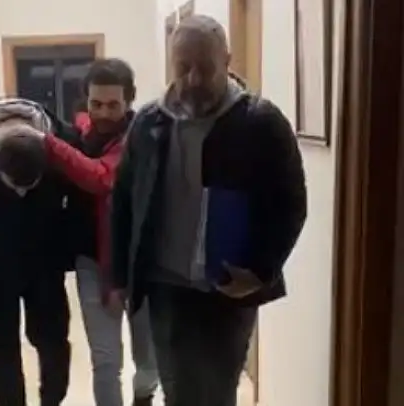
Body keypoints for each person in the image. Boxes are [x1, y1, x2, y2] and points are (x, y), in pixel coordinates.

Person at [110, 15, 307, 406]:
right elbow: (124, 201)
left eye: (206, 67)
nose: (193, 79)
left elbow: (290, 203)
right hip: (166, 285)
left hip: (228, 287)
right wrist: (120, 276)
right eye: (183, 67)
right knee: (178, 391)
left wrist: (262, 270)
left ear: (227, 61)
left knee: (216, 392)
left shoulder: (260, 123)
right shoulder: (148, 124)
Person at [42, 58, 160, 406]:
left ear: (129, 101)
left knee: (147, 362)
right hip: (92, 262)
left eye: (113, 105)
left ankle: (143, 400)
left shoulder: (142, 138)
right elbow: (82, 124)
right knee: (105, 362)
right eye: (96, 104)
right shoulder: (84, 132)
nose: (104, 114)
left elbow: (101, 177)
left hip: (140, 264)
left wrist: (46, 142)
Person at [0, 98, 76, 406]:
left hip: (45, 261)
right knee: (0, 346)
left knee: (53, 340)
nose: (21, 193)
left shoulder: (63, 143)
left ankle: (52, 400)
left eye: (29, 187)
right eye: (14, 186)